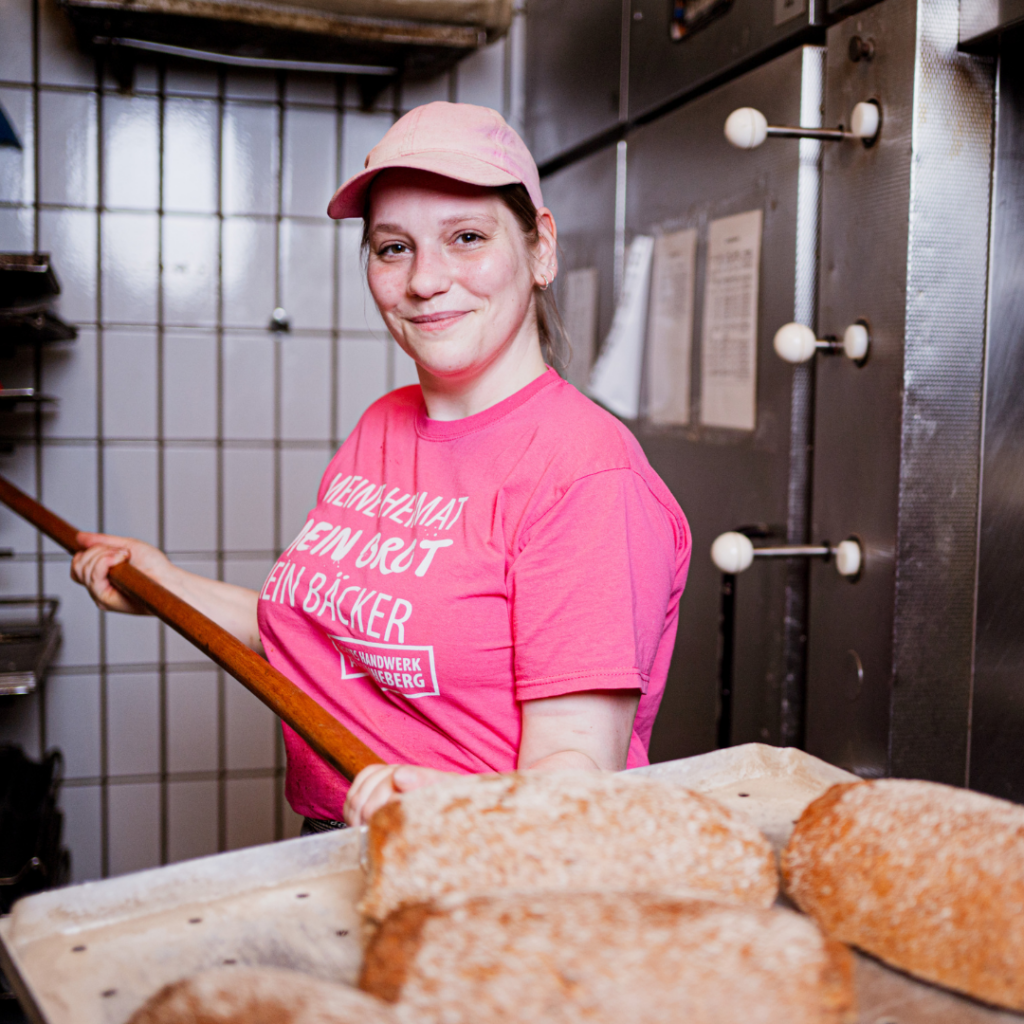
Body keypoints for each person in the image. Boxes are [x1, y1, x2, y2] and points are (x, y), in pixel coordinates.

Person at [72, 102, 691, 831]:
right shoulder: (384, 426)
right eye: (393, 248)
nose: (426, 279)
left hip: (485, 871)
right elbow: (325, 638)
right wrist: (164, 584)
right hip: (344, 839)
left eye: (466, 237)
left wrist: (448, 804)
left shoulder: (586, 476)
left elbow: (575, 780)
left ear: (541, 249)